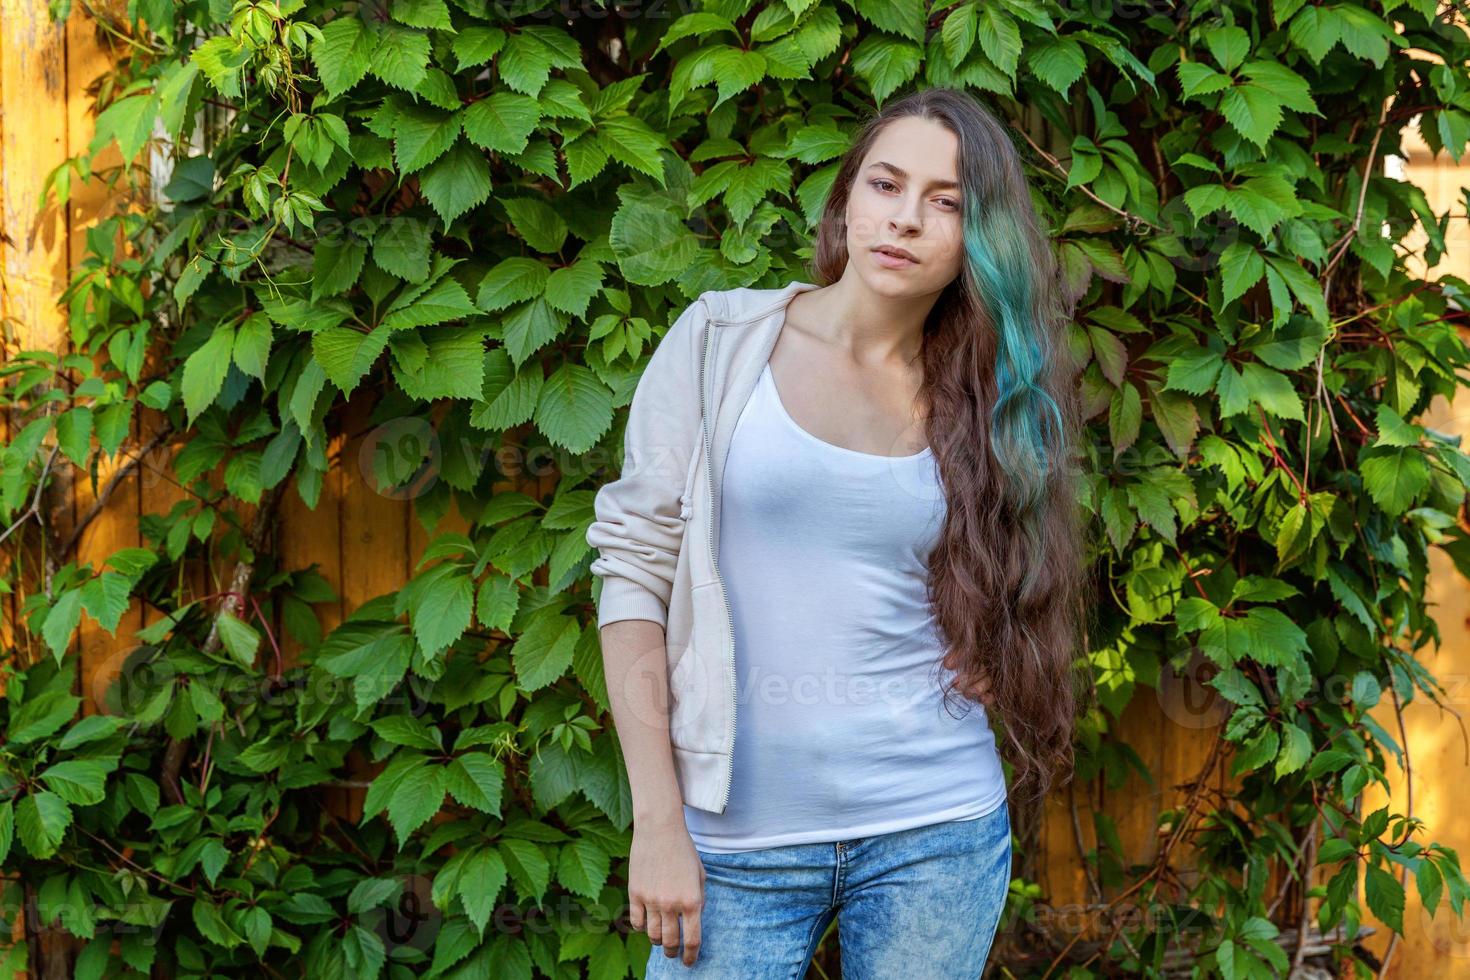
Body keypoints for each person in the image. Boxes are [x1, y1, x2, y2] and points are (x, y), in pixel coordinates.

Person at [586, 86, 1093, 977]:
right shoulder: (719, 341)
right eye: (886, 185)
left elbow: (1015, 577)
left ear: (980, 240)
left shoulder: (990, 398)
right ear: (846, 198)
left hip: (933, 830)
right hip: (734, 841)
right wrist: (658, 823)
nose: (905, 220)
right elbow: (633, 576)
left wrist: (994, 644)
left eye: (947, 204)